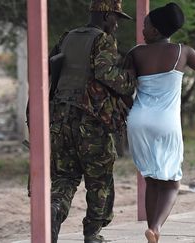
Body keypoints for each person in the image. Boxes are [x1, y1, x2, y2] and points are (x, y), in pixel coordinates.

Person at [126, 3, 195, 243]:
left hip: (137, 120)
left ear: (156, 31)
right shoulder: (183, 51)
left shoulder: (136, 53)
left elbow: (123, 84)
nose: (142, 30)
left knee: (151, 180)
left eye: (146, 26)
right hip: (166, 122)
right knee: (172, 183)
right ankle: (156, 227)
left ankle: (151, 230)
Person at [46, 1, 135, 242]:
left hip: (59, 119)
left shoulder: (68, 37)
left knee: (65, 176)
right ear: (106, 15)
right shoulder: (103, 40)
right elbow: (105, 73)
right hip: (90, 121)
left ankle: (54, 212)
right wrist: (130, 79)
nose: (116, 25)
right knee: (99, 177)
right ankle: (92, 233)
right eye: (116, 18)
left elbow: (50, 69)